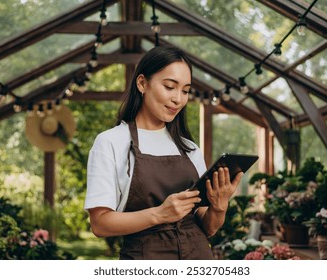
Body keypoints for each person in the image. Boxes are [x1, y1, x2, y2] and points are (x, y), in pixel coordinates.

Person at [84, 45, 243, 260]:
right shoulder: (110, 142)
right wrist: (159, 214)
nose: (178, 99)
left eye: (185, 91)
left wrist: (219, 206)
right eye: (170, 87)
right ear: (142, 83)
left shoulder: (189, 148)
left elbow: (208, 228)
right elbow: (100, 224)